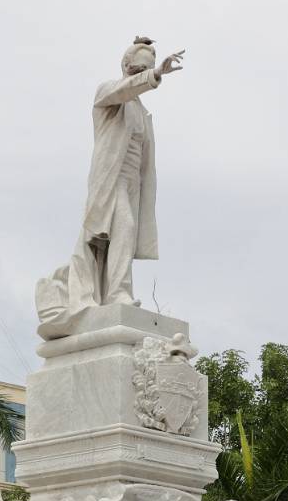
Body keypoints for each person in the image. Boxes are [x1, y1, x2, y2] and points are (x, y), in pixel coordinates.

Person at [36, 38, 184, 336]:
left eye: (148, 67)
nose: (143, 71)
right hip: (110, 180)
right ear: (127, 66)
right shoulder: (108, 92)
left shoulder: (142, 113)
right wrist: (155, 77)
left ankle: (109, 294)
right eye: (139, 67)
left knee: (117, 240)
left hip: (132, 185)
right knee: (124, 227)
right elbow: (125, 89)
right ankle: (118, 294)